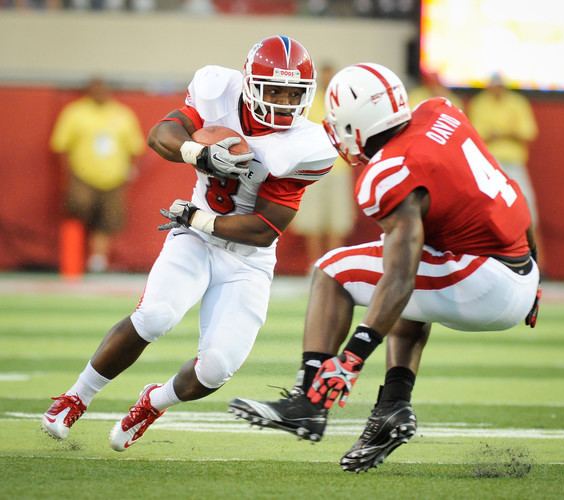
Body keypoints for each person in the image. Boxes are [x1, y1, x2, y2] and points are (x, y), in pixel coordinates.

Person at [230, 63, 541, 472]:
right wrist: (533, 269)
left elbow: (400, 279)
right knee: (408, 263)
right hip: (519, 267)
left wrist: (351, 358)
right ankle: (393, 407)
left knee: (332, 270)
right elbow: (507, 191)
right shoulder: (441, 111)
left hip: (482, 281)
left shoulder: (388, 173)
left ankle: (307, 401)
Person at [42, 35, 337, 451]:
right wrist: (195, 153)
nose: (284, 101)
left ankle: (153, 402)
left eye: (293, 92)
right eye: (273, 89)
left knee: (217, 368)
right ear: (250, 83)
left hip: (247, 256)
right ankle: (77, 396)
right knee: (155, 316)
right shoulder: (217, 89)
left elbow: (265, 227)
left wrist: (196, 216)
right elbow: (161, 133)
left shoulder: (307, 146)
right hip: (194, 239)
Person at [50, 77, 145, 272]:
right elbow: (61, 146)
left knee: (108, 218)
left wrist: (129, 170)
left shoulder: (122, 114)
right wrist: (66, 176)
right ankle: (72, 259)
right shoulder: (75, 112)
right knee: (78, 210)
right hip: (82, 175)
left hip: (114, 177)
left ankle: (97, 260)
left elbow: (135, 147)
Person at [291, 63, 355, 267]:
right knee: (313, 222)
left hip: (338, 169)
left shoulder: (344, 103)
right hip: (315, 170)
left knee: (337, 222)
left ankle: (335, 265)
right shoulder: (308, 103)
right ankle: (315, 265)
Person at [467, 73, 539, 223]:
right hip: (489, 165)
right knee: (487, 207)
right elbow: (476, 136)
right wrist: (509, 132)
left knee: (526, 204)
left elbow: (527, 133)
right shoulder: (480, 103)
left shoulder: (517, 103)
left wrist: (497, 133)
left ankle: (532, 244)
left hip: (514, 163)